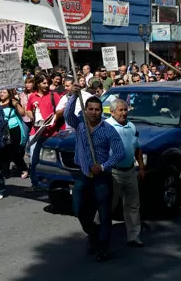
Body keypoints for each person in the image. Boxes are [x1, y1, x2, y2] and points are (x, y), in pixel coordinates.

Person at [65, 94, 126, 262]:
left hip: (101, 178)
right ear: (85, 110)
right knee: (78, 210)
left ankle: (103, 247)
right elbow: (67, 115)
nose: (93, 112)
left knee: (104, 214)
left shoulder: (108, 129)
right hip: (83, 174)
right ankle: (93, 234)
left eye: (97, 109)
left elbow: (120, 152)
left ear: (101, 111)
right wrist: (73, 96)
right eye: (90, 109)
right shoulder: (80, 125)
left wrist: (103, 166)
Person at [106, 98, 145, 248]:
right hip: (113, 172)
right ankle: (98, 233)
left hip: (129, 171)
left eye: (125, 109)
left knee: (133, 205)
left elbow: (137, 148)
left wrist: (141, 167)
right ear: (112, 112)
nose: (123, 113)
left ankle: (134, 236)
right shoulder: (107, 126)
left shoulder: (131, 126)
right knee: (108, 205)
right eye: (120, 110)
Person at [0, 89, 29, 178]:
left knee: (15, 151)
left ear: (9, 94)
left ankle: (23, 168)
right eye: (1, 92)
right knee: (3, 151)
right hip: (2, 130)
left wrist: (16, 104)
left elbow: (23, 113)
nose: (1, 94)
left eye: (4, 92)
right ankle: (5, 172)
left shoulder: (13, 103)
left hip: (13, 129)